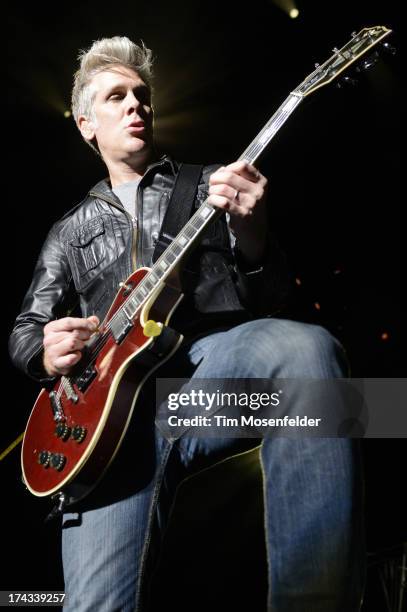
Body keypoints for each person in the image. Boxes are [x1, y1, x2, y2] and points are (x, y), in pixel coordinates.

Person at [8, 36, 365, 611]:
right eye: (117, 97)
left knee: (307, 356)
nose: (135, 106)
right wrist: (45, 353)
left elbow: (270, 293)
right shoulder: (66, 232)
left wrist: (253, 233)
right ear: (85, 125)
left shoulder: (205, 186)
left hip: (194, 387)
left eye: (142, 96)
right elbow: (27, 327)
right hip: (108, 434)